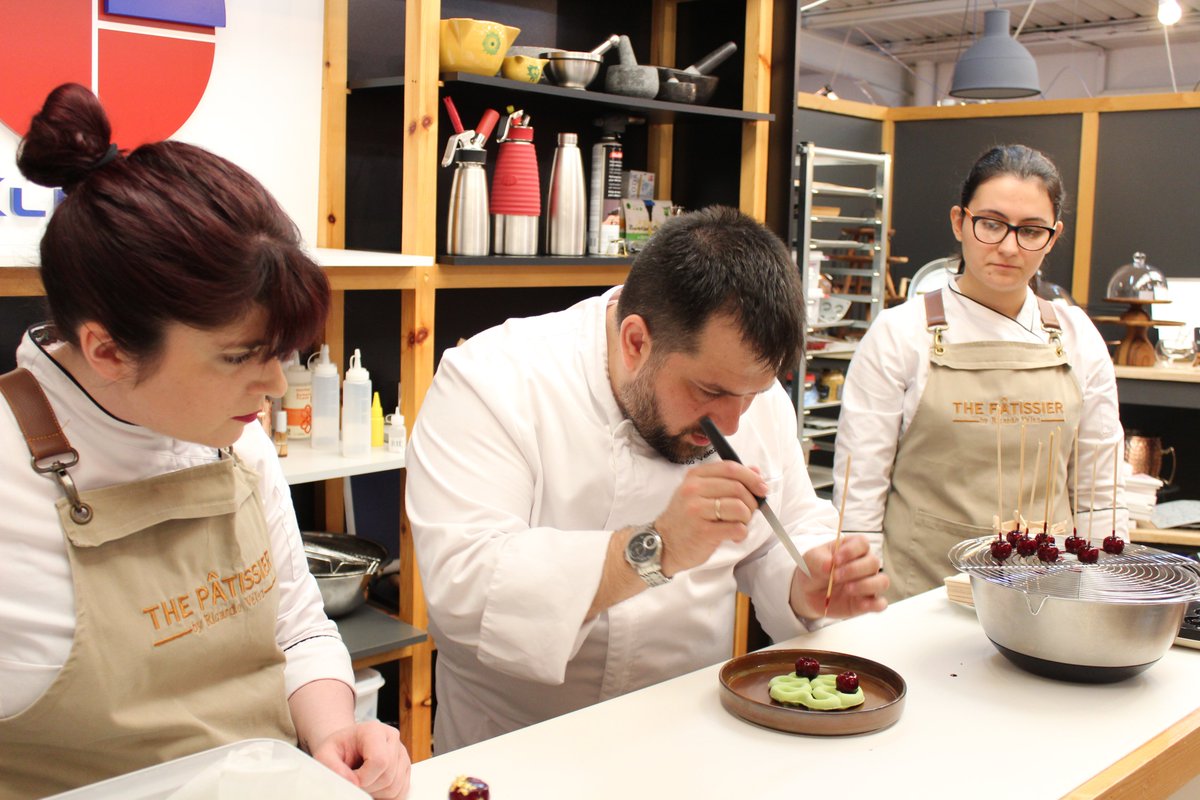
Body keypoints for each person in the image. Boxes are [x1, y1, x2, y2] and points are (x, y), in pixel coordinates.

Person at [0, 83, 410, 799]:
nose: (277, 388)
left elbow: (295, 621)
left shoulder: (234, 438)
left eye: (281, 352)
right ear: (106, 351)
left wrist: (332, 729)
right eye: (239, 356)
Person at [406, 205, 889, 752]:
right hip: (518, 745)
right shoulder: (494, 381)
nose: (730, 424)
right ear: (636, 341)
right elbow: (466, 587)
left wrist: (806, 579)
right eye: (709, 393)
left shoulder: (741, 383)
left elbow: (786, 527)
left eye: (752, 396)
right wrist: (654, 549)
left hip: (687, 736)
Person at [833, 144, 1126, 601]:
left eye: (1030, 231)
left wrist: (1107, 595)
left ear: (1052, 237)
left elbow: (1101, 492)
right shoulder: (898, 335)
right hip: (918, 600)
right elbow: (859, 497)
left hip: (1048, 599)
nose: (1008, 247)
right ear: (959, 222)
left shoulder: (1076, 336)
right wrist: (858, 607)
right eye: (991, 224)